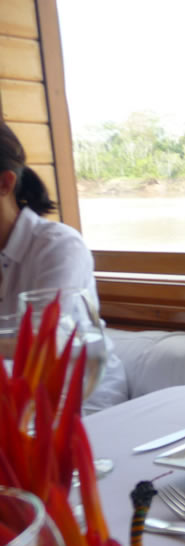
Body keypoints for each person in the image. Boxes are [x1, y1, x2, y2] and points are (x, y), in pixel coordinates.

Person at [0, 120, 127, 412]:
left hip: (80, 403)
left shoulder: (58, 245)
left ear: (5, 183)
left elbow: (42, 343)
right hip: (13, 404)